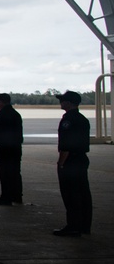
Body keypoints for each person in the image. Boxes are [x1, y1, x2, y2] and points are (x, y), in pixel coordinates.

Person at [54, 90, 91, 237]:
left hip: (71, 161)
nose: (60, 103)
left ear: (68, 103)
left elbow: (66, 145)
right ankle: (84, 226)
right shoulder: (82, 119)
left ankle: (73, 226)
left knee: (71, 195)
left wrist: (61, 163)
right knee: (83, 194)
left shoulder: (68, 120)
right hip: (81, 159)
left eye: (62, 100)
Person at [0, 93, 24, 205]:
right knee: (15, 173)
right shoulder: (16, 114)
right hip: (16, 148)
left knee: (5, 173)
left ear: (1, 101)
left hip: (4, 148)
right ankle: (17, 195)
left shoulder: (0, 115)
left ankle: (6, 197)